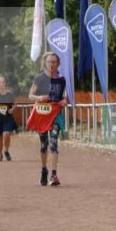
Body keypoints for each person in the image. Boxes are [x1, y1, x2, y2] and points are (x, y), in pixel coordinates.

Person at [27, 52, 68, 186]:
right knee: (44, 144)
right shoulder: (39, 78)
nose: (52, 64)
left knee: (53, 143)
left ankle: (54, 174)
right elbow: (30, 95)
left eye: (54, 62)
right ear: (45, 63)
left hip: (55, 114)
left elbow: (63, 96)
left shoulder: (61, 79)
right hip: (42, 114)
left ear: (58, 64)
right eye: (50, 62)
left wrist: (65, 101)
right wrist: (39, 98)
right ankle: (44, 169)